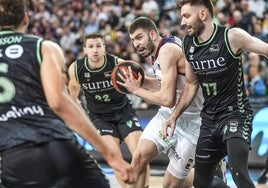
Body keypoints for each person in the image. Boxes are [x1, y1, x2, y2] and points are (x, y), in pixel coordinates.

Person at [0, 0, 136, 187]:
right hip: (60, 145)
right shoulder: (44, 47)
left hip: (14, 155)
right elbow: (59, 102)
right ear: (26, 19)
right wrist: (111, 156)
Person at [162, 0, 268, 187]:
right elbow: (191, 84)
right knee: (201, 183)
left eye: (187, 16)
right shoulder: (188, 43)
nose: (182, 22)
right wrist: (173, 116)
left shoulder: (232, 36)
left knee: (238, 172)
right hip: (209, 118)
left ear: (203, 14)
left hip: (236, 114)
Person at [116, 16, 204, 188]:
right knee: (139, 158)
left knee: (171, 185)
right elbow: (163, 84)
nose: (136, 44)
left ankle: (208, 173)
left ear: (153, 34)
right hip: (167, 116)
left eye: (139, 37)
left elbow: (167, 98)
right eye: (133, 40)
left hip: (192, 122)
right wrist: (139, 81)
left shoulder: (167, 51)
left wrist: (136, 90)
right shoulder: (159, 50)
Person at [67, 33, 149, 188]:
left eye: (98, 45)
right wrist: (75, 111)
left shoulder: (117, 63)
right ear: (85, 50)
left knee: (141, 156)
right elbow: (73, 91)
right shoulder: (76, 69)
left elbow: (140, 78)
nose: (95, 50)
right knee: (115, 159)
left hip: (124, 113)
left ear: (104, 47)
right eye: (91, 46)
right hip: (99, 117)